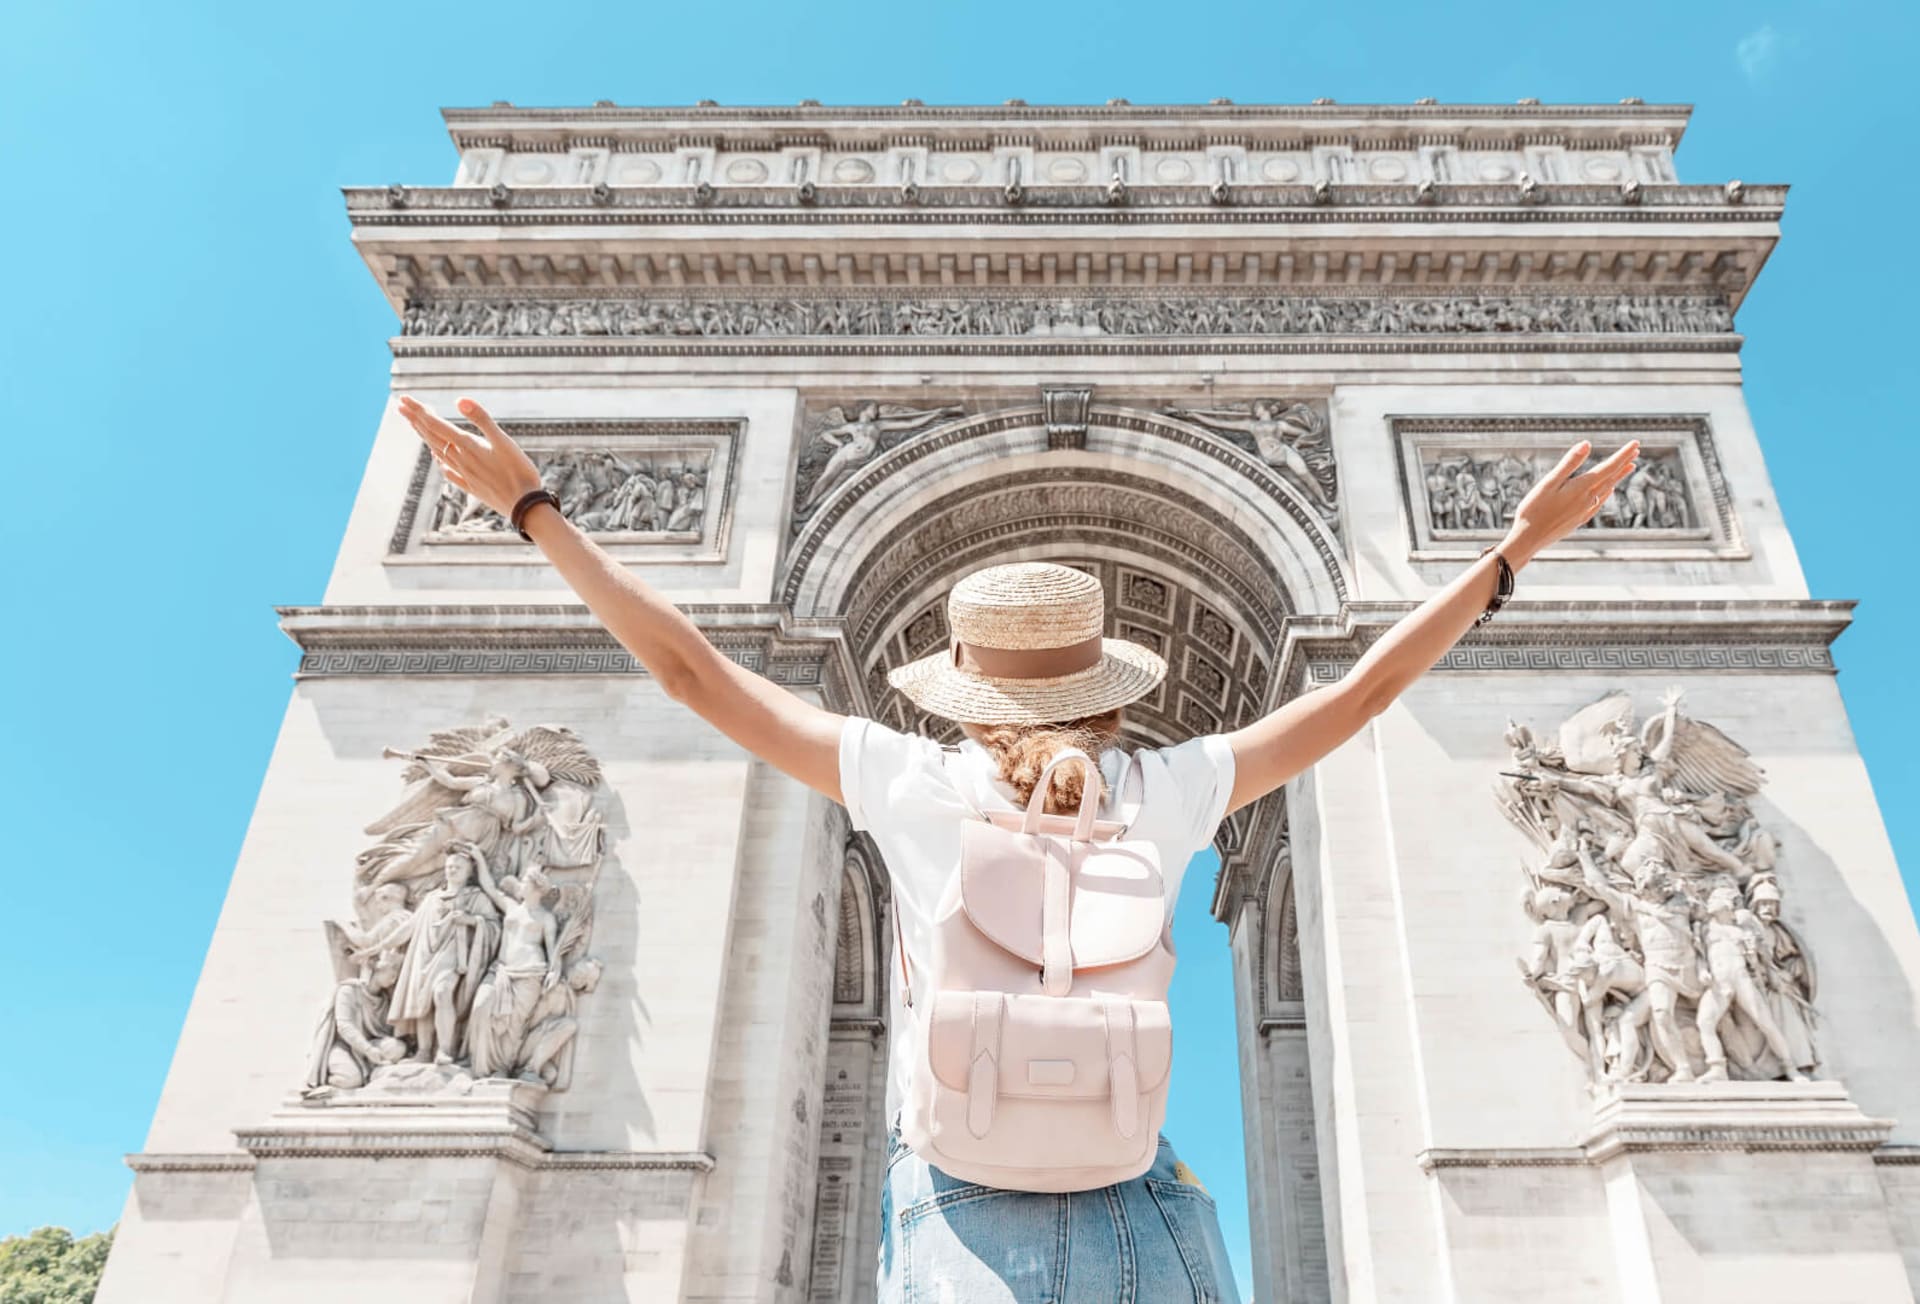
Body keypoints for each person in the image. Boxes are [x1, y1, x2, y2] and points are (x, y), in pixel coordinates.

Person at [395, 392, 1638, 1304]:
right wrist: (1508, 553)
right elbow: (1361, 697)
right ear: (1107, 688)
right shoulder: (1171, 782)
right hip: (1149, 1201)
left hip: (961, 1211)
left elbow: (685, 668)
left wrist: (532, 508)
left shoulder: (905, 774)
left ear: (961, 688)